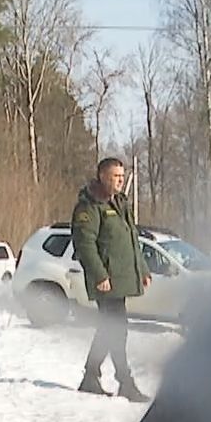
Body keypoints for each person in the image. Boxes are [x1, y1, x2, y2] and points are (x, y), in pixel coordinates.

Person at [70, 157, 151, 402]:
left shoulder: (120, 203)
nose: (120, 180)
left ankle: (90, 377)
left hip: (120, 279)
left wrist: (143, 269)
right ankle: (124, 381)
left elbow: (132, 239)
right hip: (106, 281)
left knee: (110, 329)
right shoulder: (90, 206)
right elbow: (85, 244)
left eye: (122, 176)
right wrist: (100, 275)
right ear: (103, 176)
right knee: (116, 329)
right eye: (116, 176)